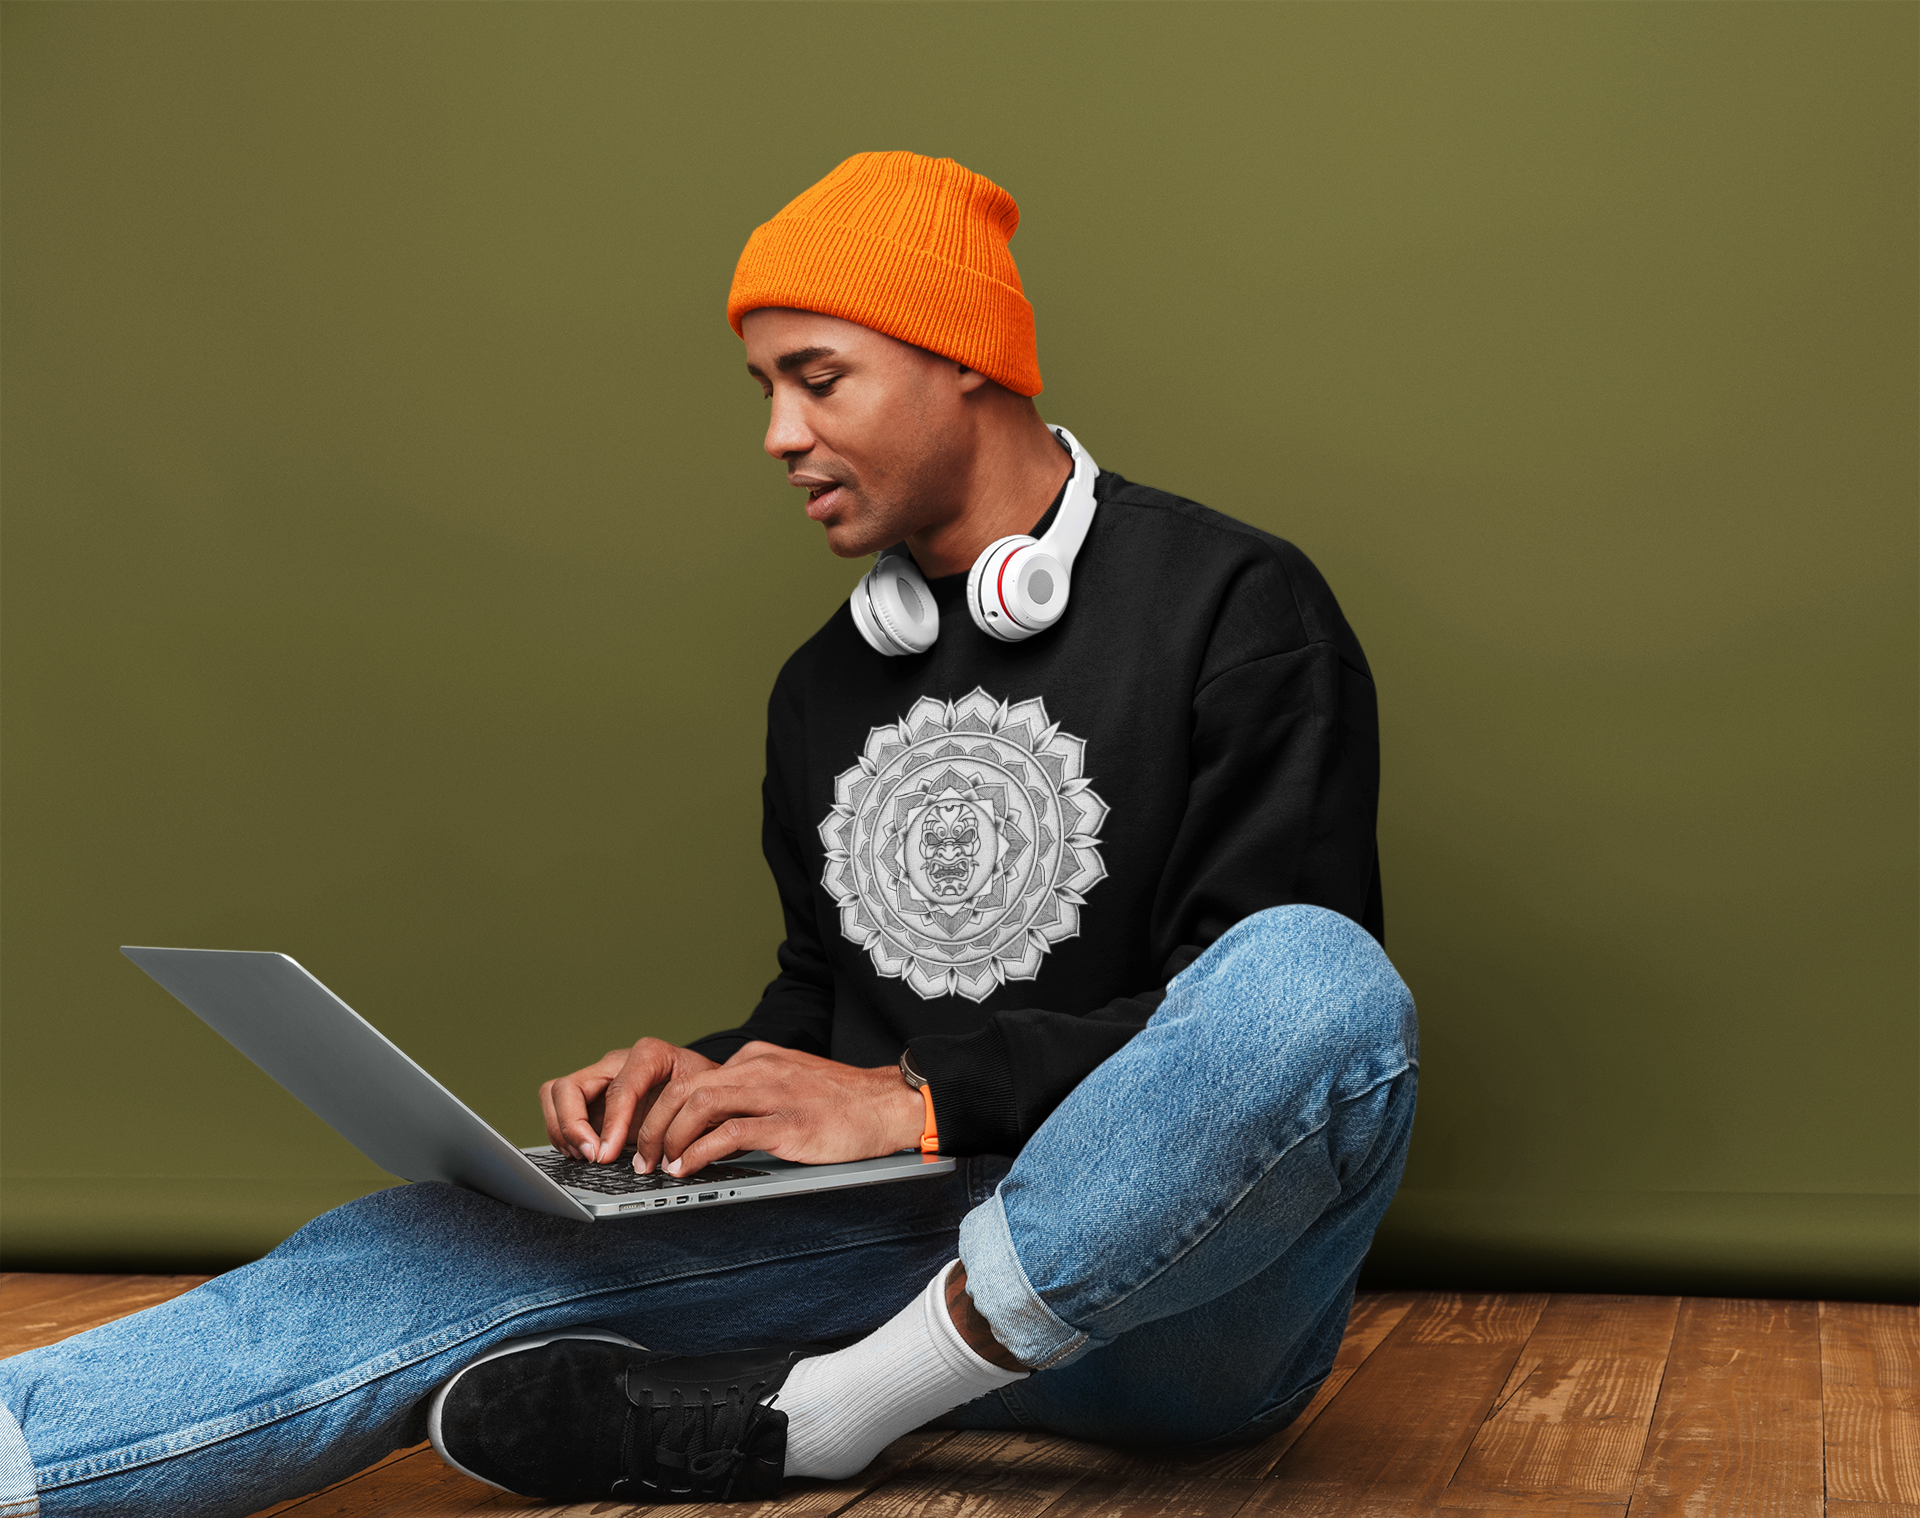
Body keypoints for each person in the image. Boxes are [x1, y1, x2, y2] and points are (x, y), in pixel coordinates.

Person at [0, 151, 1416, 1517]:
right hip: (891, 1247)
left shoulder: (1238, 607)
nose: (779, 435)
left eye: (818, 378)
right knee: (443, 1235)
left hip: (1190, 1300)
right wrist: (708, 1082)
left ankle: (829, 1408)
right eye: (765, 389)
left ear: (966, 356)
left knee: (1313, 976)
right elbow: (826, 996)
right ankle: (25, 1451)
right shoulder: (826, 685)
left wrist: (914, 1096)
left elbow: (1250, 1036)